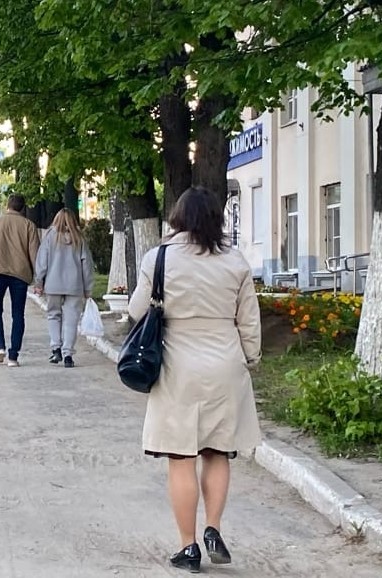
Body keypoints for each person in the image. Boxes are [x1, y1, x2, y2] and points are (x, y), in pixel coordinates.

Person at [127, 186, 262, 573]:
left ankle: (188, 548)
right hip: (225, 365)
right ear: (217, 219)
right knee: (218, 452)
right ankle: (214, 529)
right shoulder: (235, 262)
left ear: (178, 218)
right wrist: (248, 358)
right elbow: (248, 321)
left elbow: (138, 309)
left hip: (176, 367)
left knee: (181, 457)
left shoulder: (161, 258)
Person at [0, 194, 40, 367]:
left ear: (8, 205)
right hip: (20, 275)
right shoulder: (29, 225)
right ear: (23, 208)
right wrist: (39, 280)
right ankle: (13, 356)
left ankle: (0, 347)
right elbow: (35, 255)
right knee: (18, 314)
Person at [33, 208, 95, 368]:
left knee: (53, 315)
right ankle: (68, 354)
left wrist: (39, 282)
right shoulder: (79, 238)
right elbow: (87, 265)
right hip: (75, 286)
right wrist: (88, 287)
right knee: (71, 320)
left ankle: (56, 349)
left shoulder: (49, 237)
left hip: (53, 285)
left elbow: (42, 262)